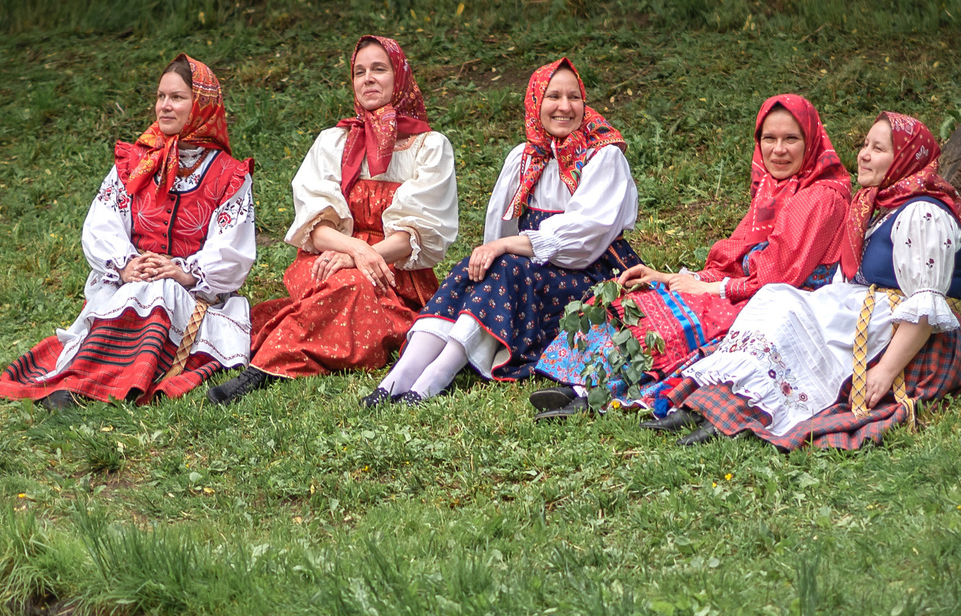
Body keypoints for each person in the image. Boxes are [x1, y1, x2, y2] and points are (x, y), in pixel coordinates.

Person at [658, 112, 961, 449]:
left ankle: (734, 419)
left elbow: (926, 305)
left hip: (904, 332)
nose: (864, 155)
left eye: (879, 149)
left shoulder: (922, 214)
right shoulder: (879, 204)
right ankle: (709, 407)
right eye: (865, 145)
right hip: (865, 309)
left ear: (904, 159)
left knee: (791, 327)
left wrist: (886, 370)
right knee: (776, 303)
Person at [530, 94, 851, 419]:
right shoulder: (773, 188)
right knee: (635, 296)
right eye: (769, 138)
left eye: (791, 139)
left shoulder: (821, 198)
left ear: (811, 142)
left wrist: (707, 289)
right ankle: (581, 383)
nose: (778, 150)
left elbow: (777, 277)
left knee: (668, 319)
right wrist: (675, 279)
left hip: (782, 302)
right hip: (748, 290)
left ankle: (599, 393)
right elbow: (736, 262)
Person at [367, 58, 640, 405]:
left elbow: (585, 234)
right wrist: (491, 254)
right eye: (553, 96)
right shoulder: (523, 158)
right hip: (529, 269)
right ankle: (397, 378)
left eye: (574, 97)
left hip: (594, 272)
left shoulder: (603, 157)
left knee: (507, 265)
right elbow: (500, 227)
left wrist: (504, 248)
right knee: (474, 268)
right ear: (535, 104)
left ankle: (432, 380)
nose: (565, 106)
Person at [0, 56, 257, 410]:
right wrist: (125, 265)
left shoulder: (229, 175)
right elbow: (101, 223)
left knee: (160, 290)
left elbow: (232, 248)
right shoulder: (136, 162)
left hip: (194, 293)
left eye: (177, 97)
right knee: (140, 290)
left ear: (201, 106)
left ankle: (113, 384)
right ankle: (80, 380)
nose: (164, 105)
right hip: (131, 280)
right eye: (161, 96)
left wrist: (183, 272)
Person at [210, 36, 458, 404]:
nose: (368, 79)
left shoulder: (429, 146)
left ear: (400, 76)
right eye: (360, 72)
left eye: (379, 69)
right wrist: (355, 249)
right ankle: (294, 346)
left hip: (395, 273)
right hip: (329, 257)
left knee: (354, 286)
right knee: (343, 282)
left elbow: (415, 235)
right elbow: (316, 224)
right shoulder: (333, 141)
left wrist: (362, 257)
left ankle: (264, 367)